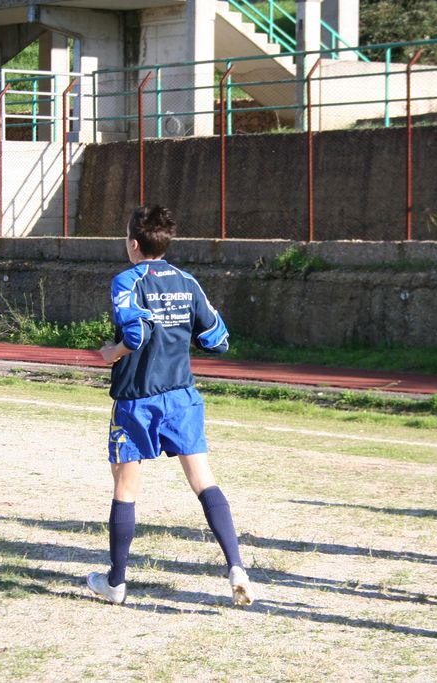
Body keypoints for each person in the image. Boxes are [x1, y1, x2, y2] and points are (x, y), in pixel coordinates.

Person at [85, 204, 254, 607]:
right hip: (181, 396)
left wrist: (111, 353)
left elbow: (136, 334)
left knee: (125, 487)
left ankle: (116, 583)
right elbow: (217, 339)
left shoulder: (127, 280)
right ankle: (236, 567)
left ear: (133, 243)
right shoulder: (187, 281)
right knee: (204, 480)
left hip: (137, 398)